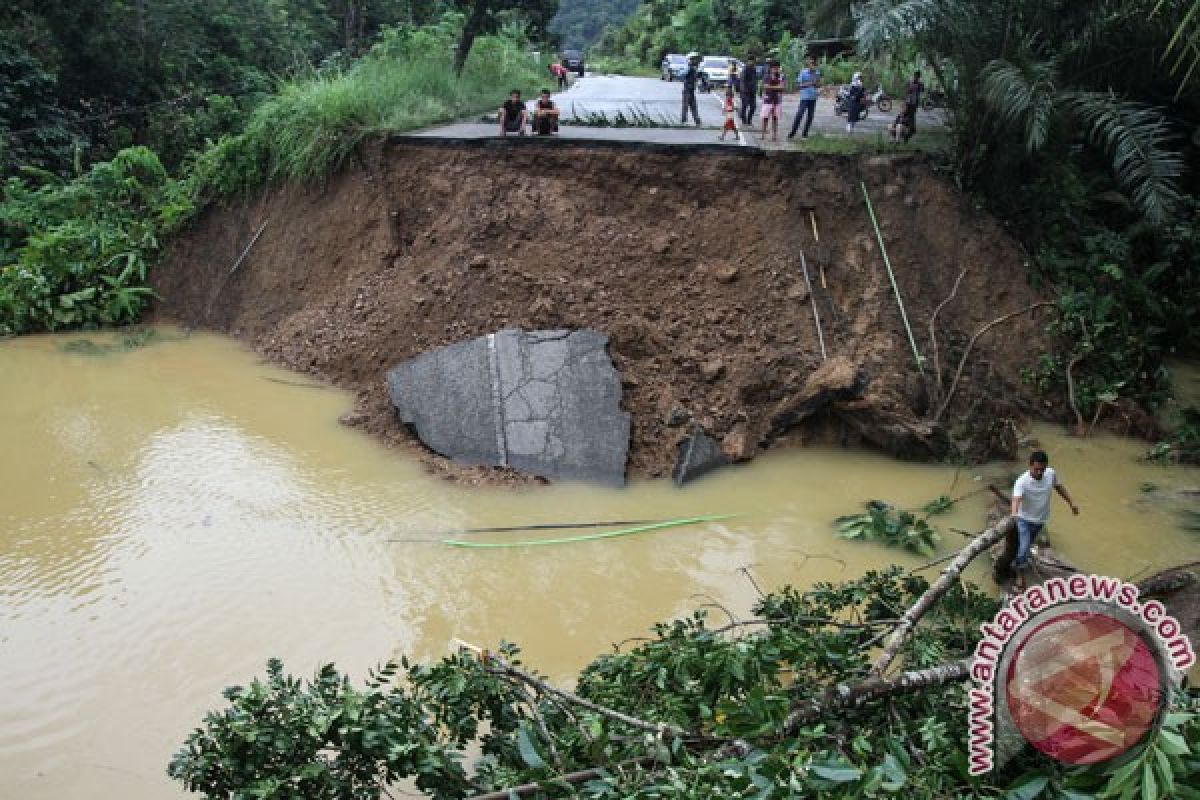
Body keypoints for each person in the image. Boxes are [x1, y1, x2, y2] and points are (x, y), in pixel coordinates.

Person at [1010, 450, 1080, 571]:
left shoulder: (1050, 474)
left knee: (1027, 545)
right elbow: (1016, 499)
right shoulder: (1022, 481)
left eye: (1042, 469)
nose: (1039, 472)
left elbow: (1059, 487)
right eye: (1036, 469)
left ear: (1046, 467)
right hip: (1024, 520)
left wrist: (1071, 503)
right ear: (1030, 465)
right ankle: (1019, 574)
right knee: (1024, 548)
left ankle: (1020, 557)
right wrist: (1014, 514)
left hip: (1040, 519)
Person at [788, 55, 821, 139]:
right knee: (799, 114)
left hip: (813, 97)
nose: (811, 64)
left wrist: (816, 83)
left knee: (810, 116)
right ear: (808, 63)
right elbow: (798, 85)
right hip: (804, 97)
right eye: (810, 62)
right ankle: (793, 132)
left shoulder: (817, 72)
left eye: (813, 63)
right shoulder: (803, 72)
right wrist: (809, 83)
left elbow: (818, 85)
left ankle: (805, 133)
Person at [760, 61, 785, 142]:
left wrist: (771, 87)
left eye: (777, 68)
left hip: (777, 100)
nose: (775, 69)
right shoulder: (767, 76)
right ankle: (763, 134)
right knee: (765, 118)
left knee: (775, 118)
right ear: (771, 68)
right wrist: (777, 87)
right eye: (774, 68)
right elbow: (765, 86)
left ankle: (774, 135)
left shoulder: (781, 76)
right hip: (768, 100)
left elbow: (782, 87)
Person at [681, 53, 702, 126]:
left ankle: (697, 121)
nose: (696, 61)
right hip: (687, 89)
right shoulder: (688, 68)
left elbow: (697, 78)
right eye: (694, 60)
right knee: (685, 106)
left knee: (693, 106)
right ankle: (684, 121)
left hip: (692, 90)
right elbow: (682, 74)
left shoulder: (695, 69)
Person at [739, 56, 758, 125]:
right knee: (745, 106)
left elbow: (755, 80)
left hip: (752, 91)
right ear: (748, 61)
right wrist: (744, 90)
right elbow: (742, 81)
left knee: (753, 107)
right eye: (750, 61)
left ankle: (749, 120)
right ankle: (744, 119)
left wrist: (755, 88)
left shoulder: (754, 69)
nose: (752, 62)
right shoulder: (745, 69)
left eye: (753, 61)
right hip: (745, 91)